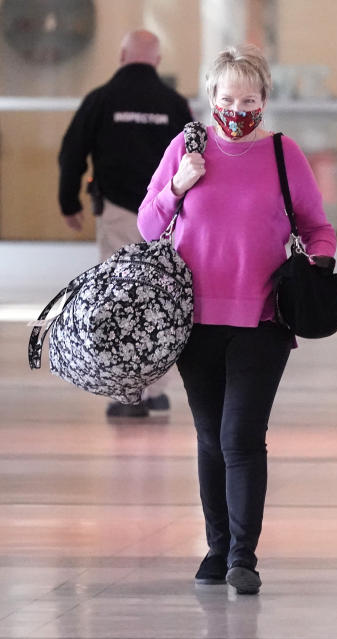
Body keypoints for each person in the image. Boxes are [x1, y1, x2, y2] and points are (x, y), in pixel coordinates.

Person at [138, 45, 337, 595]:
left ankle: (243, 557)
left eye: (249, 99)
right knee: (209, 437)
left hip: (263, 318)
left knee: (240, 436)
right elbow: (148, 225)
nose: (237, 108)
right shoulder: (187, 146)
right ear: (210, 99)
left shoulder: (282, 154)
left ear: (265, 101)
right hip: (193, 321)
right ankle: (217, 545)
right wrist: (179, 184)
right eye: (227, 99)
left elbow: (318, 226)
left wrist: (320, 262)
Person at [58, 29, 193, 418]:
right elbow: (195, 157)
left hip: (116, 212)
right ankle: (157, 391)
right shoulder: (173, 104)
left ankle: (126, 393)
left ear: (121, 55)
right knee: (159, 300)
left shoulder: (101, 100)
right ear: (158, 60)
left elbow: (71, 154)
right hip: (165, 216)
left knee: (117, 300)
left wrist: (69, 203)